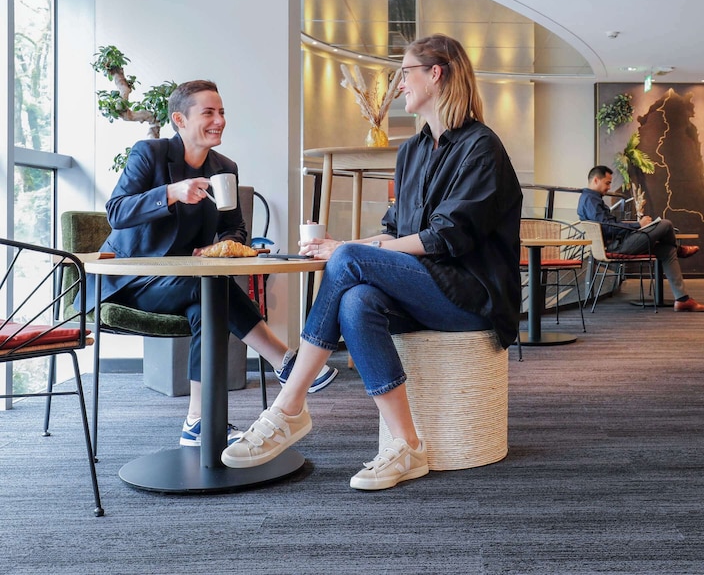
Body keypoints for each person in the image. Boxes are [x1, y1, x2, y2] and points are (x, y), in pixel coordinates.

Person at [222, 34, 523, 491]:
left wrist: (350, 253)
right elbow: (394, 232)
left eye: (406, 72)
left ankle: (290, 405)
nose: (400, 83)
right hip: (427, 287)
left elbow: (446, 236)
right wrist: (343, 246)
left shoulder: (482, 147)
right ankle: (407, 445)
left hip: (472, 295)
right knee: (357, 301)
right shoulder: (412, 151)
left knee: (350, 264)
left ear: (436, 74)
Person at [79, 80, 337, 447]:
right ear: (180, 120)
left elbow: (235, 228)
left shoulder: (224, 167)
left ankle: (198, 421)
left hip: (186, 282)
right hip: (130, 280)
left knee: (208, 300)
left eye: (222, 112)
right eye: (209, 113)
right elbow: (116, 212)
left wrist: (223, 246)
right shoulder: (150, 154)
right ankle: (283, 360)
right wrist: (171, 193)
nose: (219, 120)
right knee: (207, 289)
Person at [577, 166, 704, 312]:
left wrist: (636, 226)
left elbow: (608, 225)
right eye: (607, 183)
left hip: (619, 242)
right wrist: (638, 225)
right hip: (617, 246)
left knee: (668, 250)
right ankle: (680, 250)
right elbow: (608, 228)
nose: (609, 187)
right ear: (596, 180)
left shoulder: (590, 199)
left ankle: (682, 299)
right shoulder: (591, 200)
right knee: (666, 224)